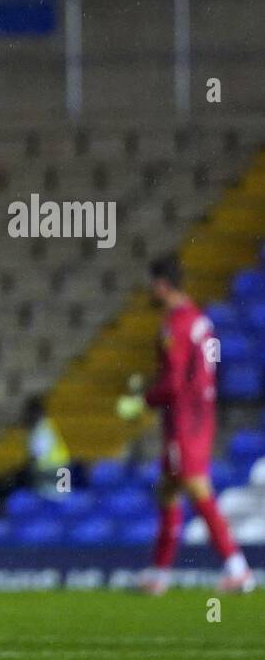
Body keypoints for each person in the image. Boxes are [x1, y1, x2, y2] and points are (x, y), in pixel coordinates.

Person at [134, 254, 254, 595]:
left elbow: (172, 382)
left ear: (161, 284)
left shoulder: (176, 324)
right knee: (168, 490)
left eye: (152, 285)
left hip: (185, 417)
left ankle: (238, 568)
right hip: (200, 412)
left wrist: (143, 399)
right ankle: (159, 575)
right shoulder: (199, 318)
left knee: (195, 486)